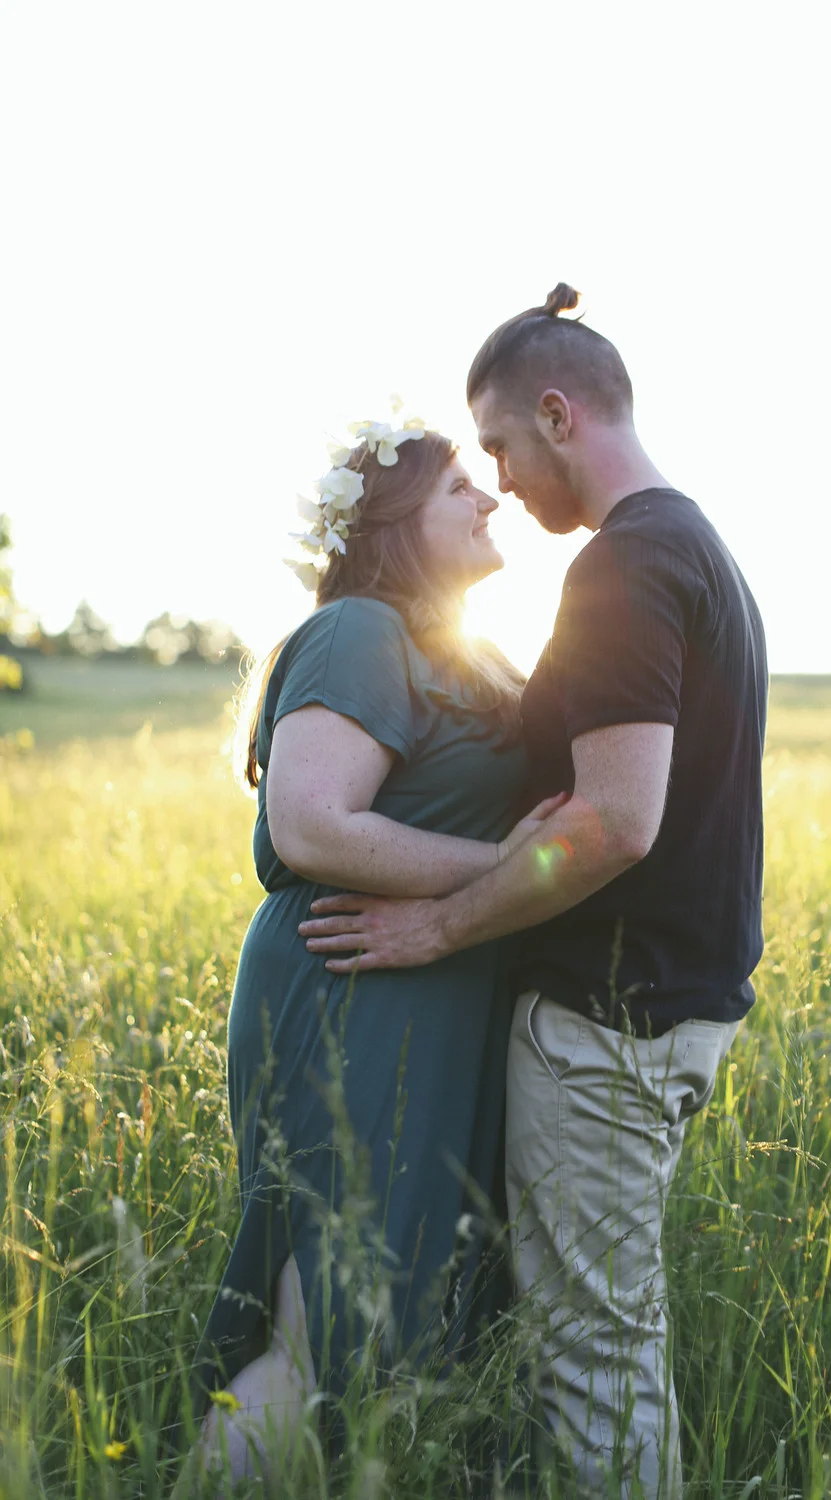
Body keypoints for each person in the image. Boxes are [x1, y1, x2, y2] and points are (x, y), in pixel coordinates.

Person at [300, 287, 769, 1497]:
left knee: (592, 1358)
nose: (500, 479)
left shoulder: (625, 565)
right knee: (606, 1338)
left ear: (558, 415)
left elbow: (615, 822)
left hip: (609, 1026)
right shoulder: (693, 544)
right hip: (669, 1006)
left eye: (501, 445)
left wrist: (443, 920)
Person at [177, 420, 563, 1491]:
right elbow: (310, 826)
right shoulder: (358, 631)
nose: (489, 500)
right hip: (355, 988)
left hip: (432, 990)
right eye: (457, 488)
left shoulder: (465, 644)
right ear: (394, 523)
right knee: (325, 1312)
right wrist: (502, 863)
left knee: (404, 1307)